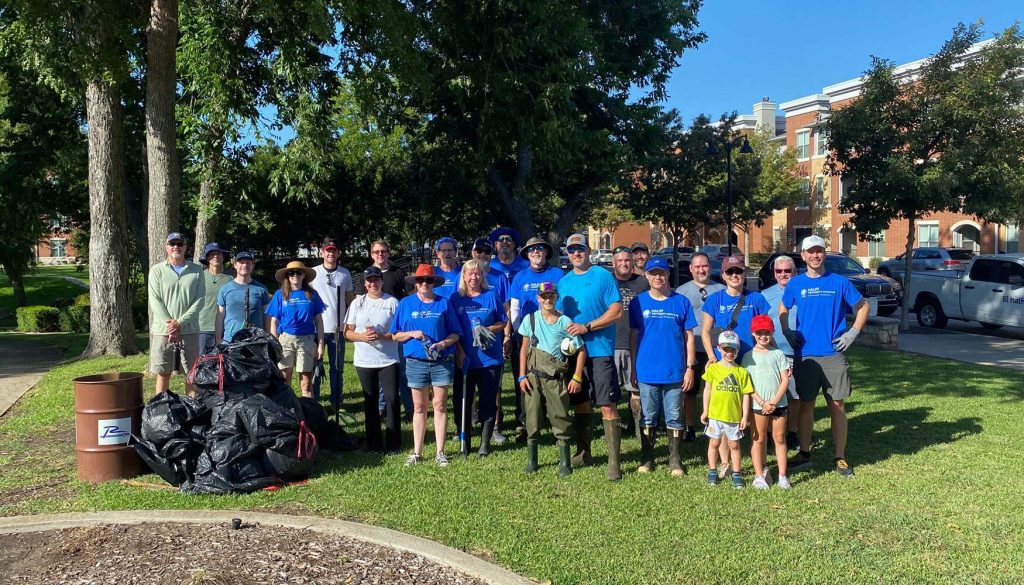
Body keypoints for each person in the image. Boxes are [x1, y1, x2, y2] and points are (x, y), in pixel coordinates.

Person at [781, 235, 869, 478]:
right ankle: (805, 453)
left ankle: (840, 457)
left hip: (833, 354)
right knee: (806, 405)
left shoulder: (839, 282)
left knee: (837, 405)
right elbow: (783, 308)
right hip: (805, 355)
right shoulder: (796, 284)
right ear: (803, 256)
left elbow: (863, 307)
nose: (815, 255)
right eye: (811, 252)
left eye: (819, 251)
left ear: (824, 253)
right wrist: (787, 330)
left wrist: (852, 332)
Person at [558, 233, 624, 481]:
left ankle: (614, 462)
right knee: (580, 401)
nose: (576, 253)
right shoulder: (564, 282)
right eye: (572, 249)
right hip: (574, 353)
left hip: (600, 350)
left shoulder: (602, 276)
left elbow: (616, 311)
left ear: (589, 250)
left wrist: (588, 326)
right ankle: (584, 452)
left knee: (607, 404)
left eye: (581, 249)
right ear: (567, 253)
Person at [628, 257, 696, 477]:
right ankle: (647, 458)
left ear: (668, 275)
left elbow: (689, 337)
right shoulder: (638, 302)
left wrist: (689, 367)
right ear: (646, 276)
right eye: (653, 273)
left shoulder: (681, 302)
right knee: (648, 416)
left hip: (674, 369)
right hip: (647, 369)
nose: (658, 277)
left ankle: (675, 460)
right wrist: (633, 367)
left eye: (662, 273)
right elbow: (633, 335)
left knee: (675, 416)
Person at [390, 264, 462, 467]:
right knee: (419, 407)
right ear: (415, 283)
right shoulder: (405, 304)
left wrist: (443, 343)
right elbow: (395, 335)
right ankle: (417, 452)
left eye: (429, 280)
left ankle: (440, 452)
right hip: (415, 361)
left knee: (439, 405)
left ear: (434, 283)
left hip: (441, 361)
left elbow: (455, 333)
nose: (424, 284)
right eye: (421, 280)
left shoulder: (444, 303)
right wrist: (411, 333)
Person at [518, 282, 585, 477]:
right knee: (532, 416)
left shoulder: (565, 321)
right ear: (538, 299)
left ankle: (565, 461)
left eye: (551, 296)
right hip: (532, 378)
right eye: (544, 296)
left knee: (560, 416)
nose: (547, 299)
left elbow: (580, 351)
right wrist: (522, 375)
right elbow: (523, 349)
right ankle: (532, 460)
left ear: (556, 298)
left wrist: (577, 377)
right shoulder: (530, 320)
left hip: (556, 379)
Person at [508, 235, 565, 441]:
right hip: (527, 338)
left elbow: (564, 305)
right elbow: (514, 309)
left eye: (540, 249)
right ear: (527, 255)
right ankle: (526, 422)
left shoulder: (557, 274)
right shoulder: (520, 277)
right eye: (532, 250)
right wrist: (517, 332)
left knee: (554, 380)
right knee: (525, 380)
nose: (536, 253)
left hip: (553, 338)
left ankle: (556, 420)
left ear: (546, 252)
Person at [451, 259, 508, 457]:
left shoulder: (491, 295)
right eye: (470, 274)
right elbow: (452, 328)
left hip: (489, 359)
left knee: (488, 401)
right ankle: (464, 441)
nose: (474, 277)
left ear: (482, 276)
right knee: (462, 400)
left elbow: (503, 321)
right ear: (464, 277)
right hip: (465, 358)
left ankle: (484, 443)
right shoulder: (455, 298)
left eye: (477, 274)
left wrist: (487, 329)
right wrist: (459, 350)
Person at [345, 266, 401, 454]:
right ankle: (374, 444)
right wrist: (362, 337)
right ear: (365, 283)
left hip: (388, 359)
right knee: (370, 402)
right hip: (364, 360)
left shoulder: (392, 302)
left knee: (392, 400)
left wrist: (383, 336)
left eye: (376, 280)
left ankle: (393, 443)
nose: (373, 283)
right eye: (369, 280)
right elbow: (347, 332)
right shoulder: (357, 303)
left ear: (382, 281)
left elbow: (399, 332)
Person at [359, 240, 413, 422]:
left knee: (402, 370)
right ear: (371, 254)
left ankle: (410, 407)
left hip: (396, 329)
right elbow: (360, 301)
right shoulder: (366, 275)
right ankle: (382, 407)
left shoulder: (397, 272)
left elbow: (409, 294)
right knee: (379, 369)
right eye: (376, 252)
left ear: (388, 253)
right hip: (374, 332)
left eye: (383, 251)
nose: (380, 254)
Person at [675, 252, 725, 442]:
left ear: (710, 267)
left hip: (716, 347)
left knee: (715, 388)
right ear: (690, 269)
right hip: (692, 346)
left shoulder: (720, 289)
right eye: (697, 267)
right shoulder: (682, 291)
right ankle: (690, 427)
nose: (701, 270)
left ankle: (715, 423)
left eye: (704, 266)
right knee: (690, 389)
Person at [148, 232, 205, 395]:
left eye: (180, 244)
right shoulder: (157, 271)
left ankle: (191, 409)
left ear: (185, 247)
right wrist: (171, 325)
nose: (176, 247)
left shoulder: (196, 271)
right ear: (166, 247)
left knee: (191, 374)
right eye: (172, 244)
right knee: (163, 373)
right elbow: (155, 300)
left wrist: (180, 322)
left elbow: (199, 300)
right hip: (163, 332)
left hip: (190, 330)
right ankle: (160, 411)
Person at [468, 238, 512, 444]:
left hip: (493, 340)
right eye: (479, 251)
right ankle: (471, 421)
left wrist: (507, 336)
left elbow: (507, 310)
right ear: (472, 253)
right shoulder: (465, 275)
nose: (483, 255)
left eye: (487, 252)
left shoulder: (499, 277)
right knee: (470, 385)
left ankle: (495, 426)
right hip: (468, 342)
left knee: (494, 386)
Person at [741, 314, 792, 490]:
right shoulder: (748, 356)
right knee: (758, 438)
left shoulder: (778, 354)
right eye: (759, 332)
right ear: (753, 333)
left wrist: (774, 401)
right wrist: (762, 402)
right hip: (758, 405)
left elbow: (785, 379)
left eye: (767, 332)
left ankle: (783, 476)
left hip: (779, 404)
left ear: (772, 333)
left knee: (779, 437)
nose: (763, 336)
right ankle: (759, 475)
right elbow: (747, 384)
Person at [701, 330, 754, 489]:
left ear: (738, 350)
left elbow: (746, 395)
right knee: (714, 443)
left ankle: (736, 473)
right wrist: (705, 411)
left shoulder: (742, 372)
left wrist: (745, 416)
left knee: (734, 445)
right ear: (718, 349)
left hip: (733, 417)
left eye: (733, 349)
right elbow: (707, 390)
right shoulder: (713, 369)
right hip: (716, 415)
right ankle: (712, 470)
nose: (729, 353)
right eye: (726, 349)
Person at [266, 260, 326, 398]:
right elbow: (273, 322)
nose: (295, 275)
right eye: (291, 273)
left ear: (304, 275)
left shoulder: (311, 294)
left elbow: (319, 321)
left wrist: (321, 345)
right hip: (285, 340)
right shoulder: (279, 294)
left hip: (307, 341)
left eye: (298, 272)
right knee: (284, 382)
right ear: (287, 276)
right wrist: (275, 344)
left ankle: (308, 413)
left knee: (306, 385)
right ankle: (287, 412)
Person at [759, 254, 801, 450]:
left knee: (794, 396)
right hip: (774, 354)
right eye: (779, 271)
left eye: (787, 270)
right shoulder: (765, 295)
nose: (783, 274)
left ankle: (792, 433)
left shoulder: (802, 290)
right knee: (771, 394)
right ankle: (769, 434)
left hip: (799, 353)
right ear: (774, 273)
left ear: (795, 272)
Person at [610, 245, 649, 441]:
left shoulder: (643, 283)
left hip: (636, 345)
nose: (624, 264)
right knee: (612, 391)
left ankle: (638, 429)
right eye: (620, 261)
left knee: (636, 390)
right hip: (612, 343)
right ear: (613, 263)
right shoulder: (607, 282)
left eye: (627, 260)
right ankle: (615, 430)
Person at [310, 236, 355, 405]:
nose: (331, 254)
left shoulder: (345, 273)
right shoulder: (313, 273)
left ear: (338, 253)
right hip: (317, 329)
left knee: (337, 368)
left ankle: (337, 402)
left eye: (334, 251)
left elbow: (350, 299)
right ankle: (314, 402)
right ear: (322, 253)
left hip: (338, 329)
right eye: (328, 251)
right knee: (315, 367)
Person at [215, 250, 271, 343]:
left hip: (255, 340)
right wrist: (218, 339)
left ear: (252, 266)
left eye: (248, 263)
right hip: (230, 340)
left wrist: (267, 337)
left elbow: (267, 316)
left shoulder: (261, 289)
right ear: (235, 265)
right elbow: (220, 316)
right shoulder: (225, 289)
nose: (245, 265)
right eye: (241, 263)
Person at [197, 242, 232, 354]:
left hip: (226, 329)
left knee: (224, 364)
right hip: (202, 327)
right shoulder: (199, 276)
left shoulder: (232, 278)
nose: (216, 256)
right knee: (201, 364)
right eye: (212, 254)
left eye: (219, 253)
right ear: (207, 258)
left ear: (223, 257)